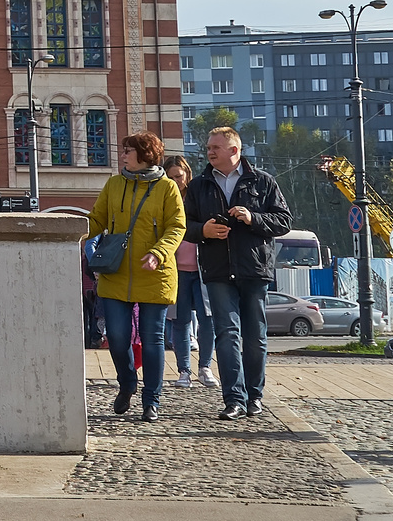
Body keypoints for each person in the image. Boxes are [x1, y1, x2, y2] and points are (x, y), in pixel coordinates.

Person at [182, 124, 291, 421]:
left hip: (254, 270)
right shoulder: (199, 185)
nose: (209, 152)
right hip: (217, 270)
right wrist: (203, 230)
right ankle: (234, 399)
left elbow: (283, 221)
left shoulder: (263, 181)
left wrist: (251, 217)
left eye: (215, 147)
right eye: (208, 147)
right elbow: (184, 225)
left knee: (255, 336)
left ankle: (255, 396)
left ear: (234, 150)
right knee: (227, 334)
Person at [89, 130, 184, 422]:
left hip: (155, 274)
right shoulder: (114, 184)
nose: (123, 155)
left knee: (153, 339)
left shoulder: (167, 188)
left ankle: (151, 400)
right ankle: (127, 383)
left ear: (145, 155)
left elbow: (176, 226)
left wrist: (158, 252)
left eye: (128, 150)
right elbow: (96, 220)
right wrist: (75, 236)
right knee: (117, 337)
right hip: (115, 273)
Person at [162, 154, 216, 386]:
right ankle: (184, 370)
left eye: (179, 176)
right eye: (171, 177)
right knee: (180, 320)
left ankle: (205, 367)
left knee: (207, 319)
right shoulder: (163, 198)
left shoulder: (198, 196)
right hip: (176, 268)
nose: (176, 181)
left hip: (203, 267)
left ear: (187, 174)